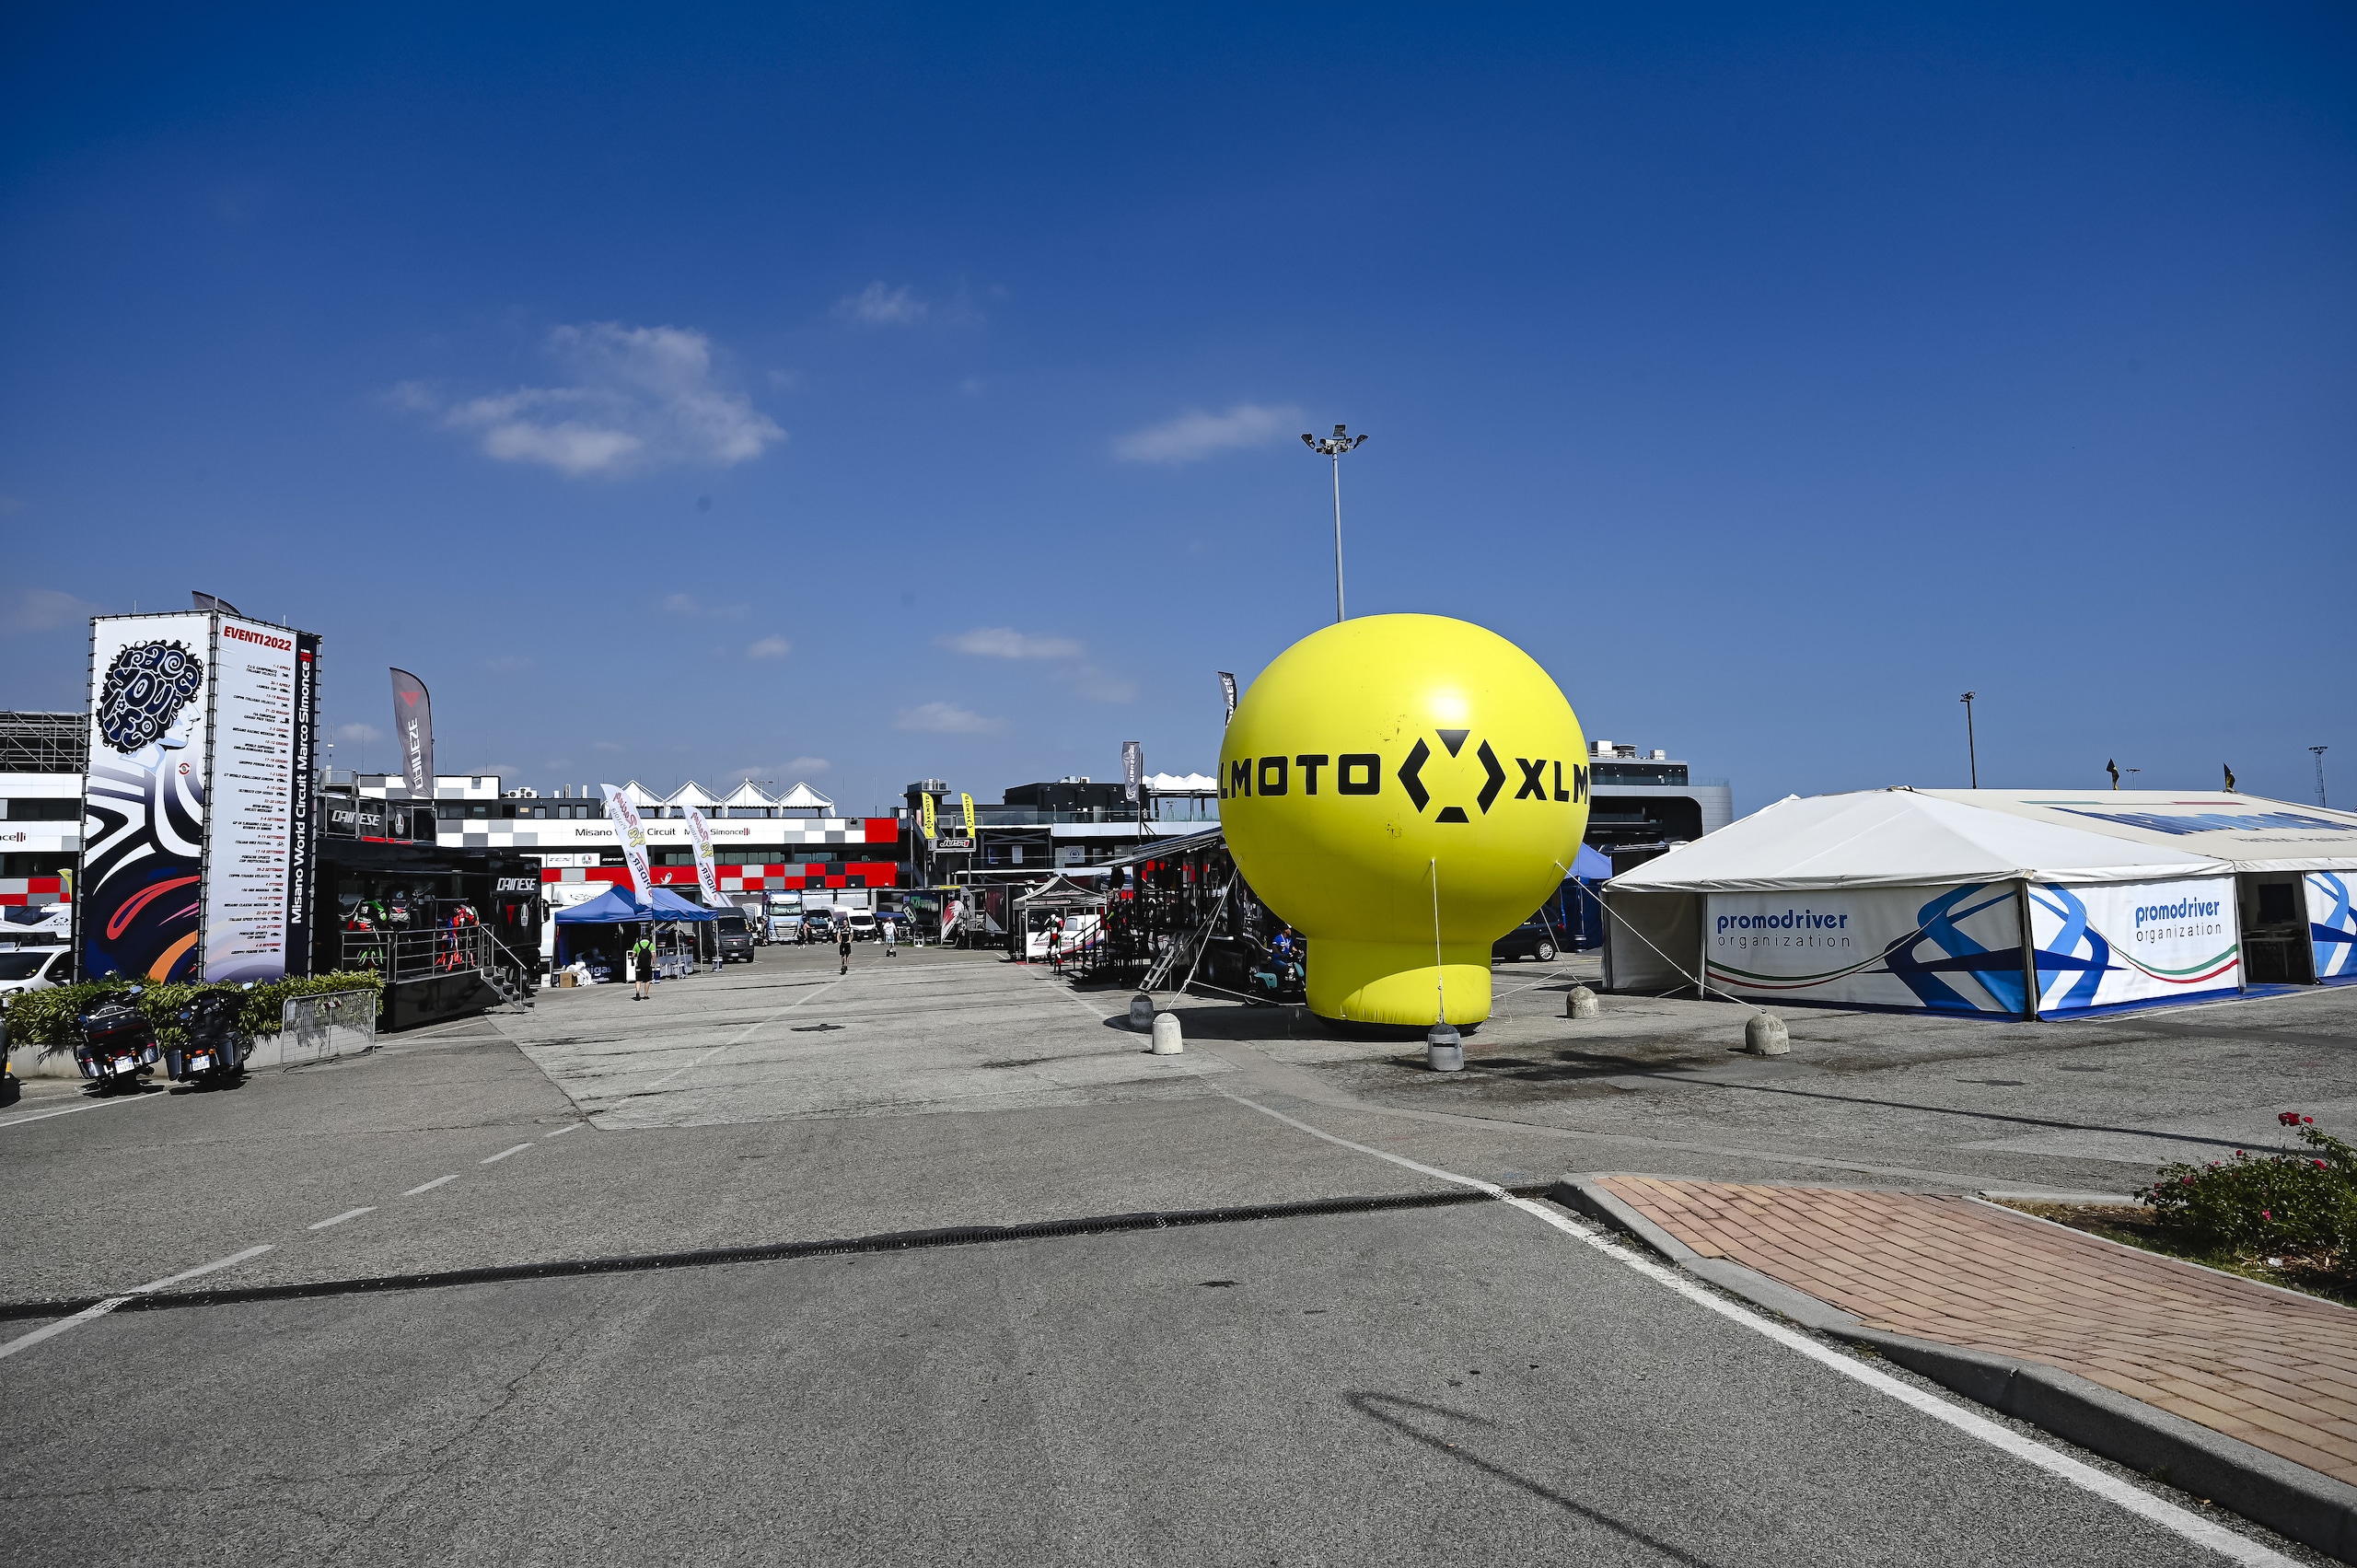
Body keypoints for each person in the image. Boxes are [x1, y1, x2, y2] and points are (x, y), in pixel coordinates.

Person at [632, 930, 656, 1000]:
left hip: (639, 965)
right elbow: (653, 955)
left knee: (638, 980)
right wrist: (654, 963)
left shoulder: (637, 944)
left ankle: (637, 992)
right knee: (647, 980)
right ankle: (645, 995)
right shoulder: (651, 944)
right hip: (648, 965)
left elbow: (633, 955)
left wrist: (632, 960)